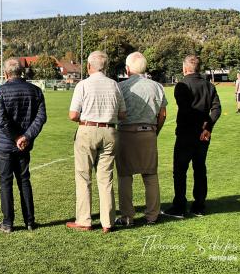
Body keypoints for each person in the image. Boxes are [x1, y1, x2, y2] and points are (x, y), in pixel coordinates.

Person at [67, 51, 126, 233]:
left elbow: (73, 115)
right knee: (106, 177)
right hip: (110, 130)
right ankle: (108, 222)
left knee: (84, 177)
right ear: (105, 67)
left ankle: (84, 220)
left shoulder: (83, 85)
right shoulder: (115, 85)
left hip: (88, 129)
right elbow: (123, 114)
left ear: (88, 66)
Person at [163, 55, 221, 218]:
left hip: (186, 134)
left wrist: (201, 127)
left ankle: (179, 206)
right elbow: (216, 109)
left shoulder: (181, 85)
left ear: (185, 68)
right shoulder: (209, 86)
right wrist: (207, 126)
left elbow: (186, 110)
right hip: (203, 135)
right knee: (200, 169)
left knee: (180, 170)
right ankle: (199, 206)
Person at [0, 58, 46, 233]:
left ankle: (8, 223)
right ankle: (30, 221)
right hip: (24, 144)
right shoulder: (36, 91)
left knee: (5, 182)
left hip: (5, 144)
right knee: (24, 180)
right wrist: (26, 137)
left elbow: (1, 119)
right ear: (21, 72)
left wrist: (17, 137)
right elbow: (41, 118)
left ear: (6, 73)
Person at [116, 52, 167, 226]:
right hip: (149, 132)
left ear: (127, 69)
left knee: (125, 176)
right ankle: (152, 215)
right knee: (150, 174)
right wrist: (155, 131)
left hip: (125, 134)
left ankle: (127, 217)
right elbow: (163, 114)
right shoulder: (157, 86)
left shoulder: (121, 87)